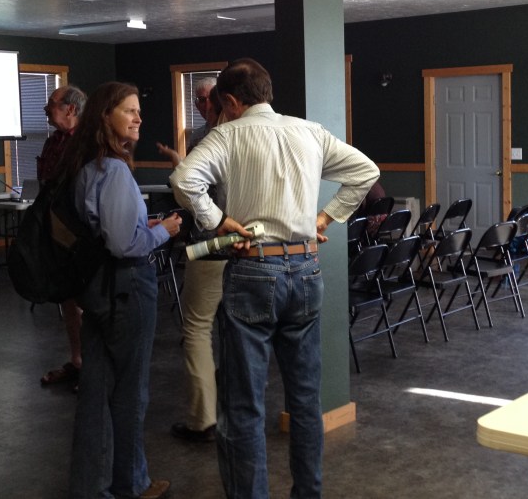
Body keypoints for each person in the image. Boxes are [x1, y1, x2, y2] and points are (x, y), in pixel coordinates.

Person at [170, 58, 379, 499]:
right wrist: (326, 216)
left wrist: (218, 220)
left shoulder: (227, 135)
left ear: (230, 100)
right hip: (306, 270)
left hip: (253, 271)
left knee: (243, 406)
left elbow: (184, 180)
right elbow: (366, 172)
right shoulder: (309, 131)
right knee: (304, 403)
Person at [59, 82, 181, 499]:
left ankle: (95, 486)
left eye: (138, 110)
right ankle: (130, 485)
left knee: (97, 390)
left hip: (97, 288)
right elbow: (122, 245)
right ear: (104, 116)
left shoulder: (86, 167)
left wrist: (138, 229)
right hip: (126, 287)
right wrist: (161, 231)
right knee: (129, 394)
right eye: (128, 110)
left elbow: (105, 231)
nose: (138, 117)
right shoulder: (113, 170)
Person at [159, 84, 228, 443]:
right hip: (249, 247)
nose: (201, 105)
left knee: (197, 330)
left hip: (212, 245)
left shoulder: (212, 140)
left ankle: (203, 419)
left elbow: (190, 189)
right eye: (196, 99)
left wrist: (178, 168)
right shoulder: (251, 134)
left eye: (206, 100)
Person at [37, 85, 88, 391]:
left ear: (71, 109)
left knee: (87, 301)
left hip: (81, 230)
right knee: (69, 300)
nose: (46, 109)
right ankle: (78, 360)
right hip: (58, 229)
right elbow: (46, 179)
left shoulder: (87, 143)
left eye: (52, 104)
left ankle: (93, 369)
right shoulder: (54, 140)